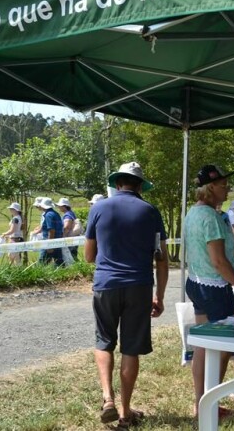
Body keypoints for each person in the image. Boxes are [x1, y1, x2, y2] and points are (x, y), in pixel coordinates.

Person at [84, 162, 168, 427]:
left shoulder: (98, 208)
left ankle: (107, 398)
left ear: (118, 183)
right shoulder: (151, 212)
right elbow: (161, 259)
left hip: (106, 284)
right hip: (139, 286)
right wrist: (160, 296)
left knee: (104, 341)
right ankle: (125, 412)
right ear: (140, 185)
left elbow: (89, 256)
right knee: (130, 349)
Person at [184, 164, 234, 418]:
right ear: (210, 188)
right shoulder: (212, 218)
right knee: (223, 346)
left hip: (197, 282)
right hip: (214, 286)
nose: (227, 189)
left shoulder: (193, 212)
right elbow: (219, 262)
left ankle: (201, 402)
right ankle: (211, 403)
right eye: (223, 185)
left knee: (203, 345)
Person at [37, 197, 64, 265]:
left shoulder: (48, 215)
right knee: (59, 262)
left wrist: (50, 245)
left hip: (49, 241)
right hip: (58, 241)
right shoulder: (56, 213)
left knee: (42, 262)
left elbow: (51, 230)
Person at [55, 197, 79, 261]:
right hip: (73, 238)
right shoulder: (71, 213)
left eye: (60, 206)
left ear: (64, 206)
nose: (59, 207)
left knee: (71, 256)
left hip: (69, 238)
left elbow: (67, 227)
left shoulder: (67, 215)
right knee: (72, 255)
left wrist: (63, 236)